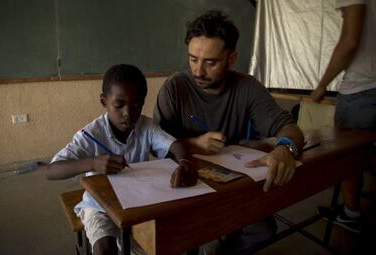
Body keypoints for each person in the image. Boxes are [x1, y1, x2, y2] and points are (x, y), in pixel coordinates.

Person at [154, 10, 304, 254]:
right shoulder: (175, 87)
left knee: (263, 232)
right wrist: (192, 144)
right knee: (180, 239)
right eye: (193, 59)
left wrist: (285, 148)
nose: (198, 71)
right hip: (181, 182)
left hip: (232, 188)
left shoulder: (247, 87)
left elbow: (289, 127)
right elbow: (154, 142)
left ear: (232, 58)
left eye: (210, 62)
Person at [44, 64, 198, 255]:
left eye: (136, 105)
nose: (128, 113)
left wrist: (185, 162)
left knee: (159, 243)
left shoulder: (146, 126)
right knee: (104, 249)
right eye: (119, 105)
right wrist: (93, 163)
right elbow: (50, 171)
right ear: (104, 101)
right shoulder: (91, 134)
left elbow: (175, 146)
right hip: (99, 205)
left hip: (138, 202)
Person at [311, 0, 375, 234]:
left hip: (362, 91)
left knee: (350, 159)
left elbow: (350, 42)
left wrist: (321, 86)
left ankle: (351, 214)